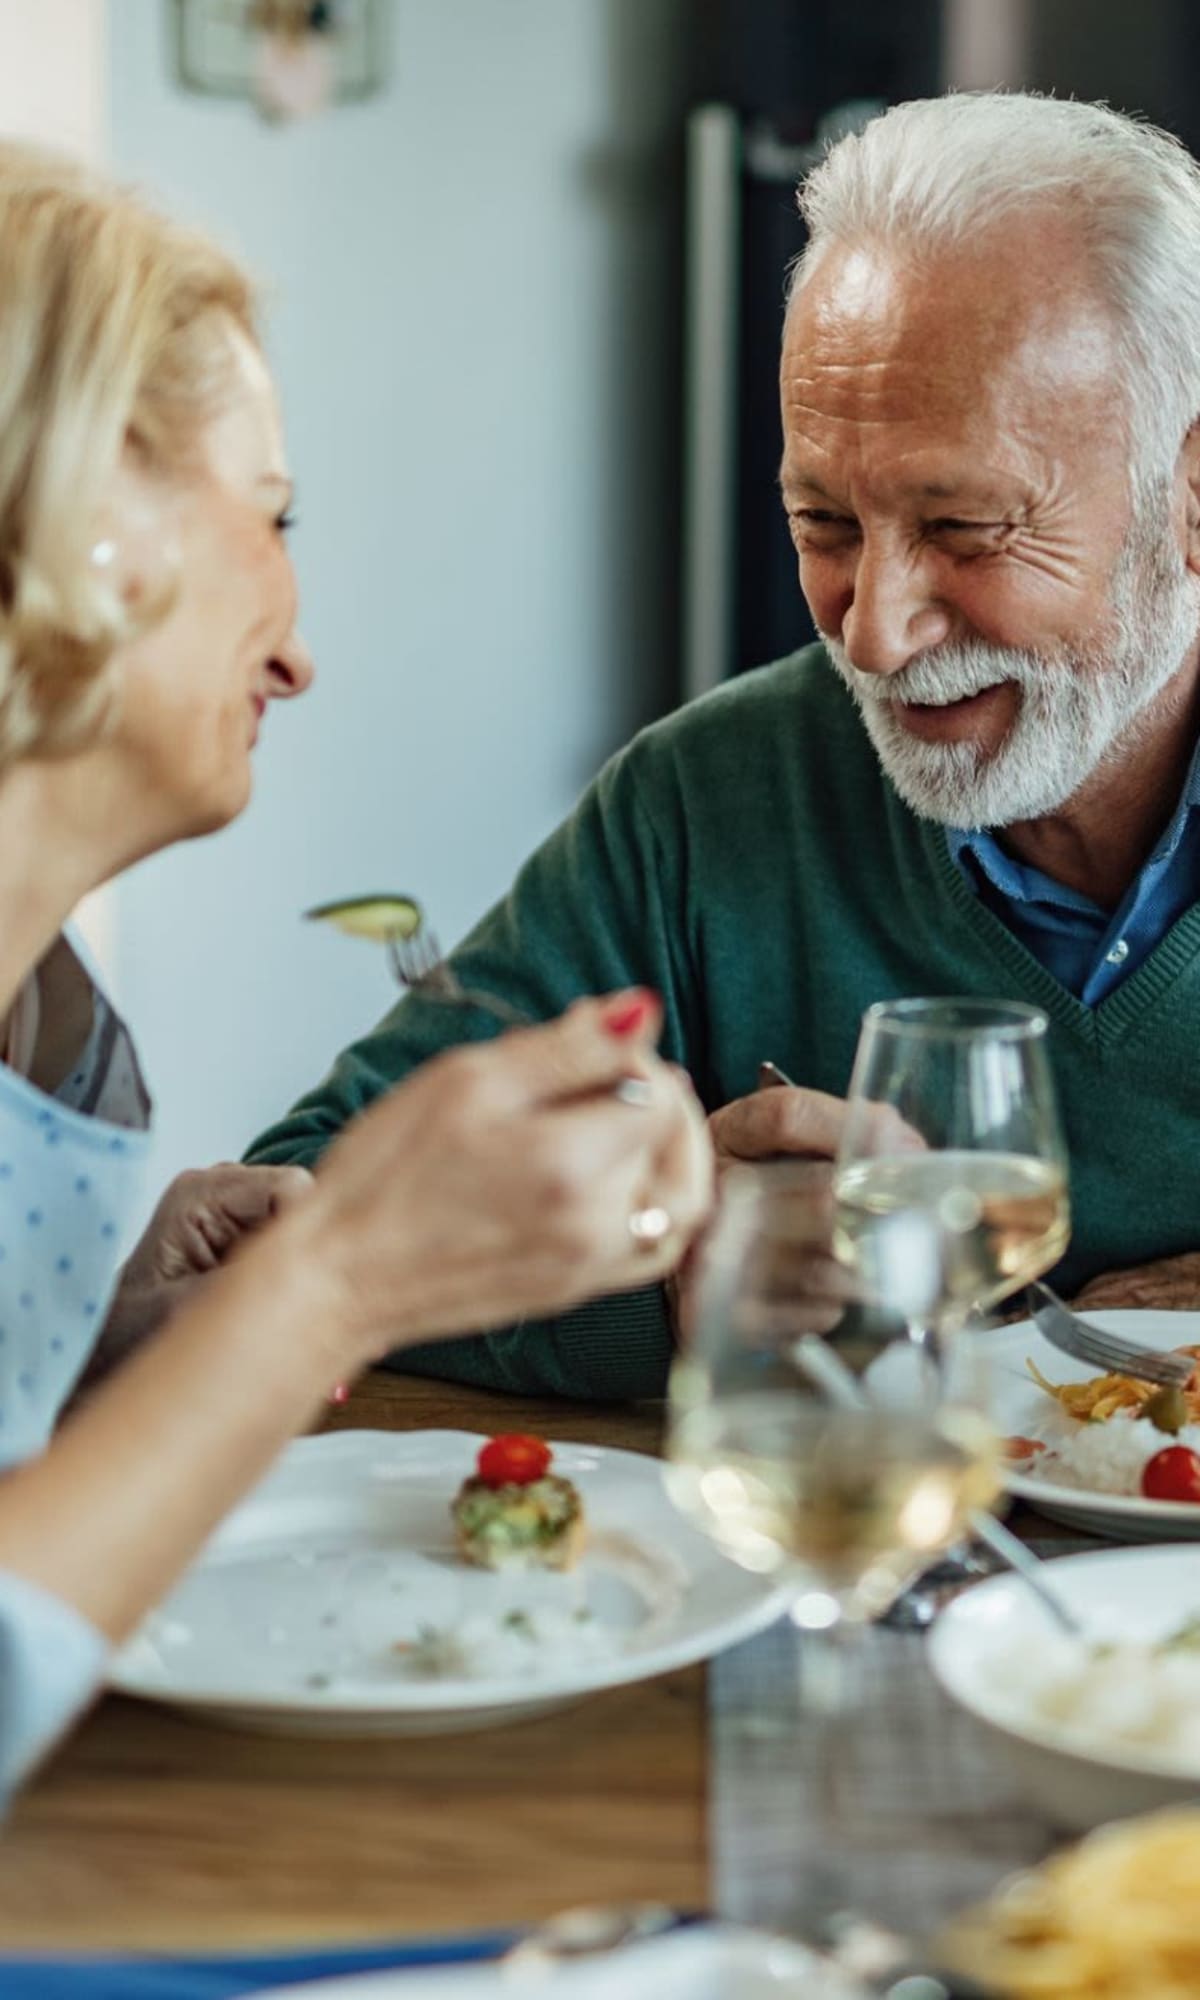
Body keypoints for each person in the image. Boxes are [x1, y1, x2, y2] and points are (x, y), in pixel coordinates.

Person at [250, 89, 1200, 1395]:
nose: (873, 634)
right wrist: (677, 1281)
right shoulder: (710, 801)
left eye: (966, 529)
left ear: (1187, 498)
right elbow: (290, 1225)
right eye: (822, 526)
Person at [0, 142, 712, 1802]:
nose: (302, 645)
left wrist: (118, 1336)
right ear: (91, 524)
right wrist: (331, 1289)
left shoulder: (51, 1015)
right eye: (274, 516)